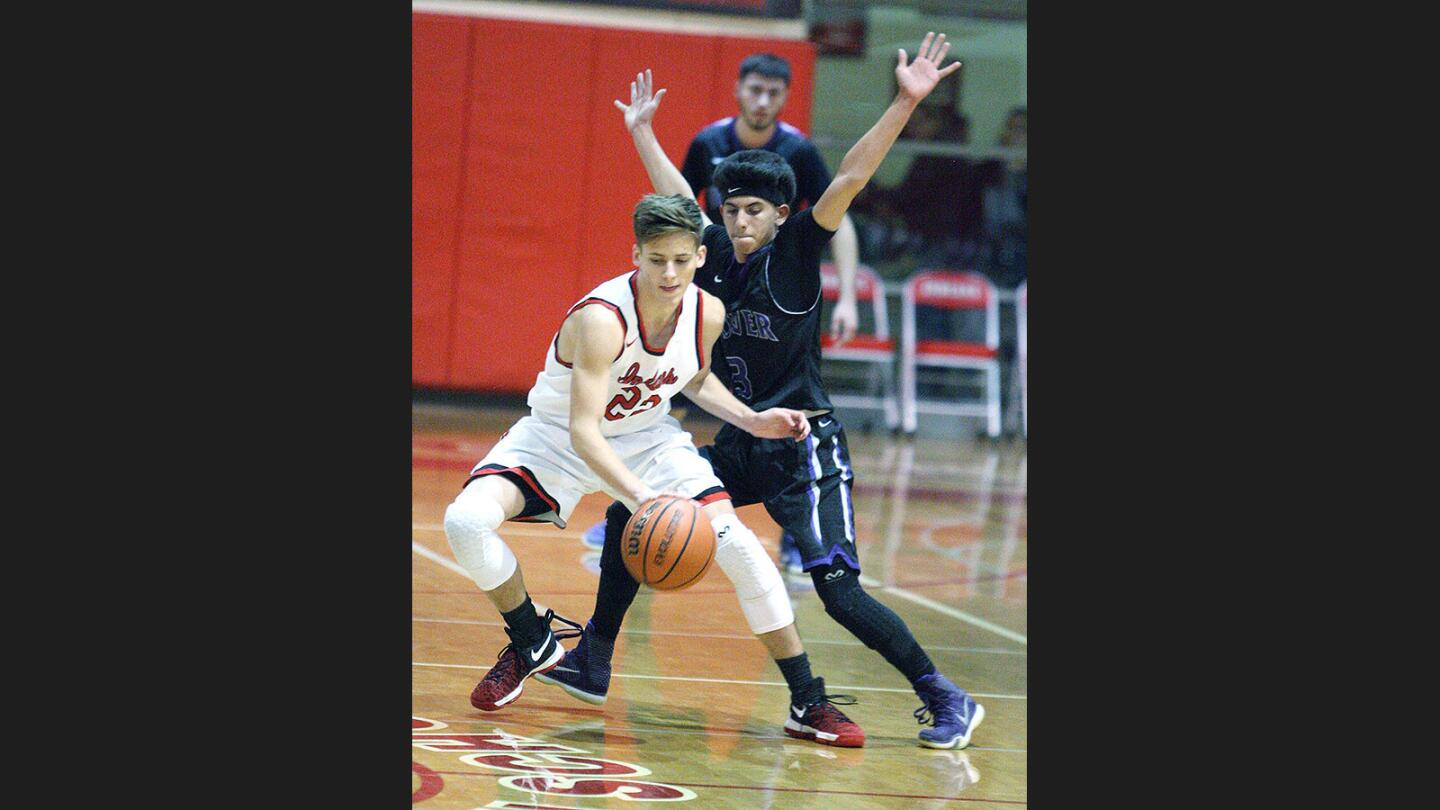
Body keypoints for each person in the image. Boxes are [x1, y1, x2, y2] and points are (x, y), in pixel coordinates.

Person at [544, 33, 985, 751]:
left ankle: (945, 694)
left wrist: (905, 101)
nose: (741, 221)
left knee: (839, 592)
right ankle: (595, 657)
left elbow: (850, 177)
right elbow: (679, 198)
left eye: (755, 210)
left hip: (806, 445)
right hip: (742, 439)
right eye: (733, 209)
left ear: (781, 213)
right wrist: (643, 133)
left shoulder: (800, 250)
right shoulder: (711, 252)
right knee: (636, 515)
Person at [443, 193, 865, 748]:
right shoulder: (602, 318)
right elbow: (583, 430)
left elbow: (692, 377)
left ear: (698, 257)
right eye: (656, 259)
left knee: (737, 544)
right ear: (636, 254)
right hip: (556, 437)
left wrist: (751, 419)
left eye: (681, 260)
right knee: (465, 521)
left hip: (648, 437)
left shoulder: (708, 312)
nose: (669, 273)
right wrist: (645, 498)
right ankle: (530, 639)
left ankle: (807, 699)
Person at [583, 52, 862, 575]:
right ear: (737, 90)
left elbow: (839, 205)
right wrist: (642, 134)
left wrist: (845, 294)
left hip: (778, 295)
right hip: (725, 305)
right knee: (685, 382)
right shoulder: (710, 147)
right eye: (754, 90)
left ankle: (799, 536)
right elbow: (683, 203)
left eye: (773, 93)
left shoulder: (797, 154)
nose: (762, 102)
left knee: (786, 422)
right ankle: (641, 509)